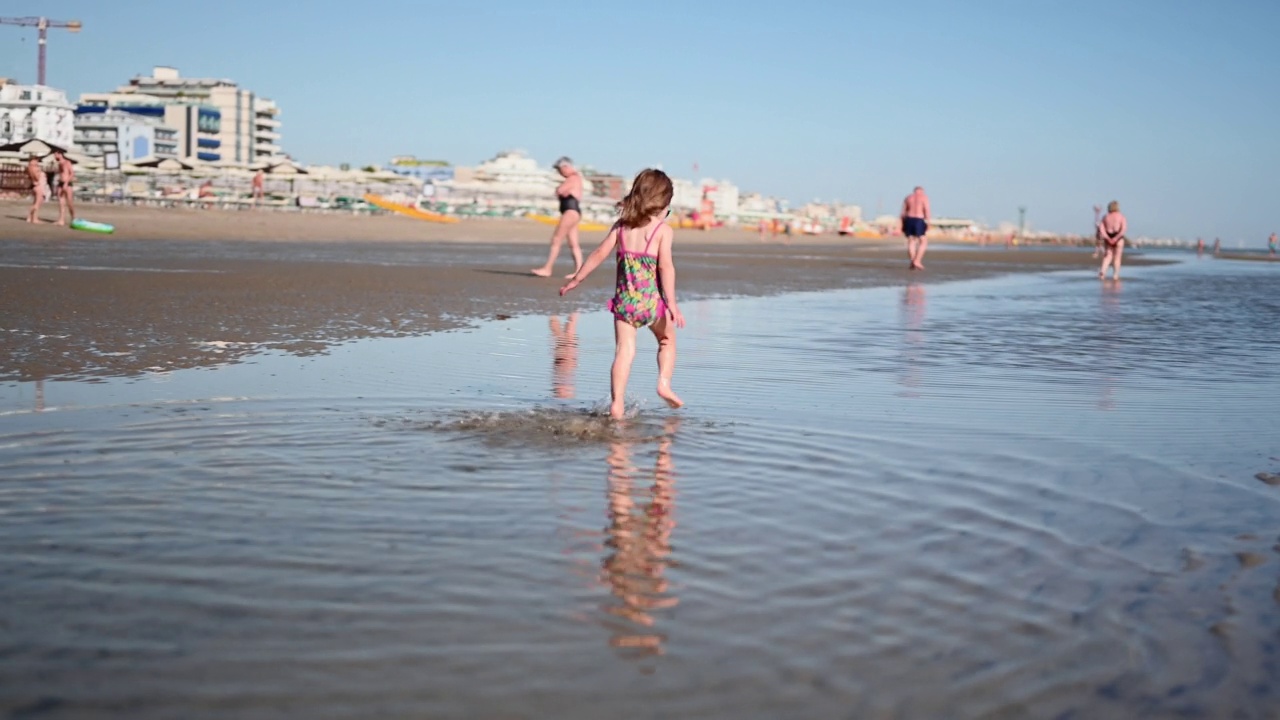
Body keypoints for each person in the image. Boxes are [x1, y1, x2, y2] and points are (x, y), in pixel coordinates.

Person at [560, 168, 685, 419]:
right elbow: (665, 267)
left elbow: (598, 254)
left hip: (624, 303)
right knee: (666, 340)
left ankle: (617, 404)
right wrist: (672, 303)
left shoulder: (621, 227)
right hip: (651, 302)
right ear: (662, 202)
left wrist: (577, 279)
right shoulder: (662, 231)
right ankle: (664, 383)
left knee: (624, 351)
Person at [531, 156, 584, 278]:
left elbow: (560, 190)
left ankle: (547, 268)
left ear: (566, 167)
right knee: (573, 243)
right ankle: (579, 271)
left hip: (570, 211)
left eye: (559, 170)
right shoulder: (576, 179)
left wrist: (560, 190)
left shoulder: (573, 177)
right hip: (575, 211)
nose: (559, 173)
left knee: (556, 239)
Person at [901, 186, 931, 270]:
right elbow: (927, 210)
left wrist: (903, 223)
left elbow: (903, 212)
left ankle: (913, 261)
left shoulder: (908, 197)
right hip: (918, 219)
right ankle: (917, 260)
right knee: (923, 241)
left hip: (909, 219)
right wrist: (928, 222)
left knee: (911, 240)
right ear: (921, 191)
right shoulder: (924, 197)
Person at [1097, 200, 1128, 279]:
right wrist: (1116, 238)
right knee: (1117, 257)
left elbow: (1101, 228)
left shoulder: (1105, 217)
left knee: (1107, 256)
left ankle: (1103, 272)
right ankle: (1115, 274)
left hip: (1108, 236)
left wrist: (1107, 238)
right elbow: (1123, 229)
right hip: (1118, 237)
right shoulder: (1121, 216)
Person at [53, 151, 76, 226]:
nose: (54, 156)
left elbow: (72, 173)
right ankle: (61, 220)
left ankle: (73, 218)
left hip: (67, 184)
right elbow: (61, 174)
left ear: (60, 154)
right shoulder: (59, 164)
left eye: (55, 155)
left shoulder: (67, 162)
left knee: (69, 203)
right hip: (60, 183)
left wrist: (66, 183)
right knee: (61, 203)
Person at [25, 155, 47, 224]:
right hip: (39, 186)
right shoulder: (33, 168)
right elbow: (36, 177)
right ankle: (34, 218)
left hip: (37, 186)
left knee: (36, 202)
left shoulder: (30, 167)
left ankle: (31, 217)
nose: (37, 162)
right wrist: (39, 173)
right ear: (32, 161)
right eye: (36, 160)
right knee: (37, 203)